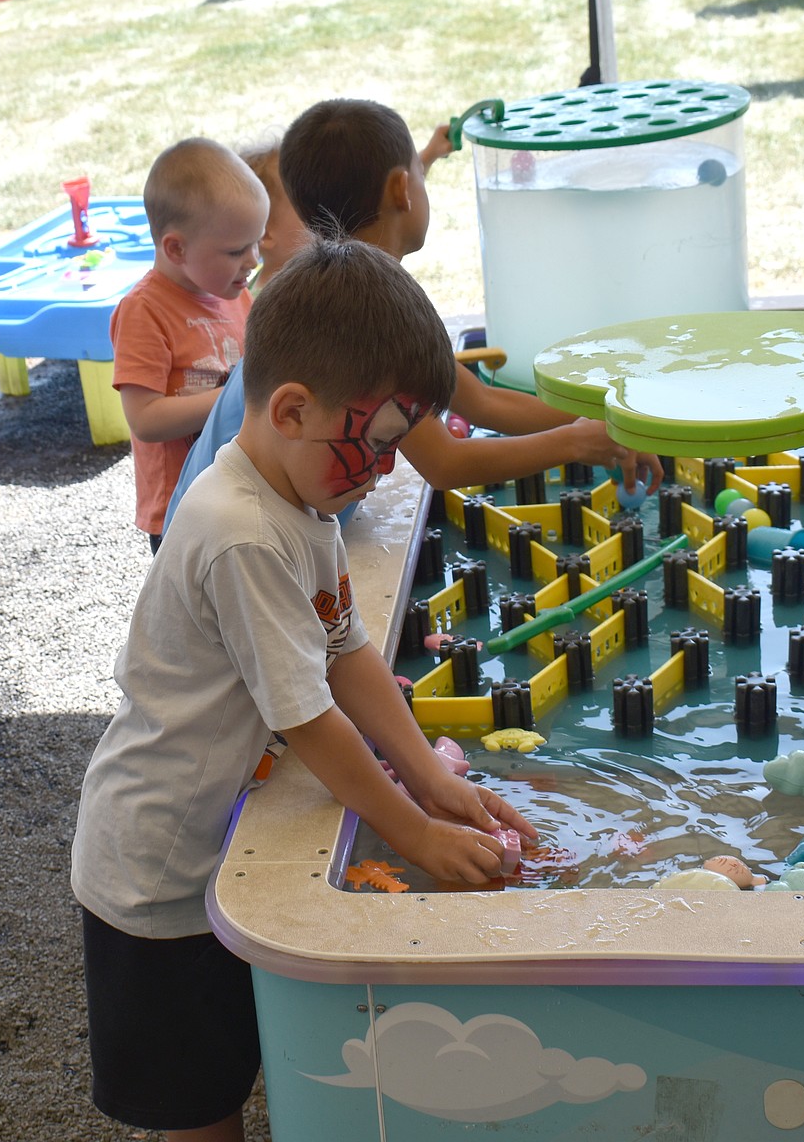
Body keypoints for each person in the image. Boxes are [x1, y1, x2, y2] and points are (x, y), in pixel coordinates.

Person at [72, 237, 536, 1142]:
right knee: (196, 1107)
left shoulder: (298, 498)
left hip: (206, 839)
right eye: (381, 443)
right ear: (291, 407)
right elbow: (310, 719)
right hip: (156, 871)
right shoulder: (240, 530)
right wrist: (417, 836)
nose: (392, 470)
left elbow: (347, 649)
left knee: (235, 1065)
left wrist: (432, 781)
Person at [162, 99, 660, 533]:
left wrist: (604, 419)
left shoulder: (355, 286)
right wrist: (575, 442)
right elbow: (445, 462)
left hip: (240, 523)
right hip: (229, 537)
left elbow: (483, 402)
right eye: (420, 173)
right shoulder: (351, 312)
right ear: (403, 189)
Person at [111, 136, 269, 552]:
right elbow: (144, 418)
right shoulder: (144, 310)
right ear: (176, 248)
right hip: (182, 511)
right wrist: (234, 397)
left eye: (256, 243)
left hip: (236, 496)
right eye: (237, 250)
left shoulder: (236, 296)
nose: (252, 261)